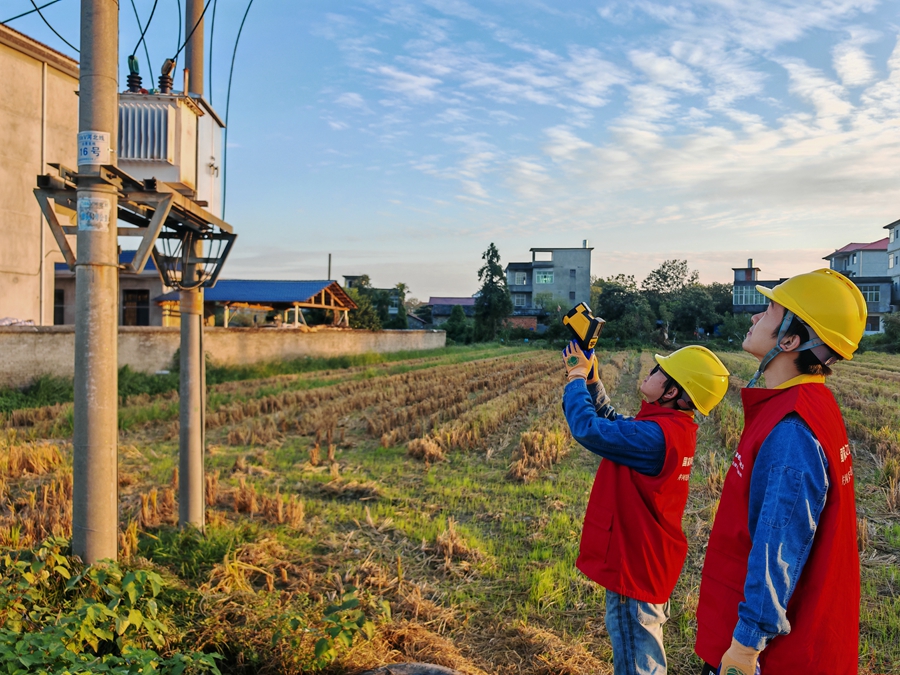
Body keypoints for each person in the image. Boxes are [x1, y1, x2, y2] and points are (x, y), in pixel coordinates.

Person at [694, 269, 865, 675]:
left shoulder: (791, 430)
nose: (755, 317)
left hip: (766, 656)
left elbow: (777, 550)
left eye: (770, 310)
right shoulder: (812, 403)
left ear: (790, 340)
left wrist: (744, 648)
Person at [562, 341, 730, 675]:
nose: (650, 372)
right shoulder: (669, 429)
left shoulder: (655, 437)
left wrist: (576, 377)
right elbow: (613, 422)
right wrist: (593, 382)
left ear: (671, 392)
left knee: (640, 666)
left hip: (634, 568)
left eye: (658, 371)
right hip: (649, 561)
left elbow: (590, 429)